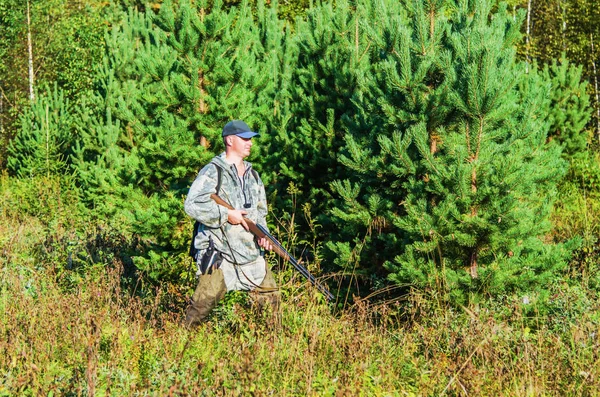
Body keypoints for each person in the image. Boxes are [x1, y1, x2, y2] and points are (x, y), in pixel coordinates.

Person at [183, 120, 280, 327]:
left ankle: (276, 349)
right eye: (245, 138)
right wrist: (226, 214)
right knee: (200, 307)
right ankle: (177, 344)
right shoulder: (213, 172)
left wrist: (264, 236)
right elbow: (192, 205)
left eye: (250, 139)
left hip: (250, 253)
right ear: (229, 140)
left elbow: (260, 213)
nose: (250, 143)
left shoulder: (253, 176)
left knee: (272, 305)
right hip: (220, 254)